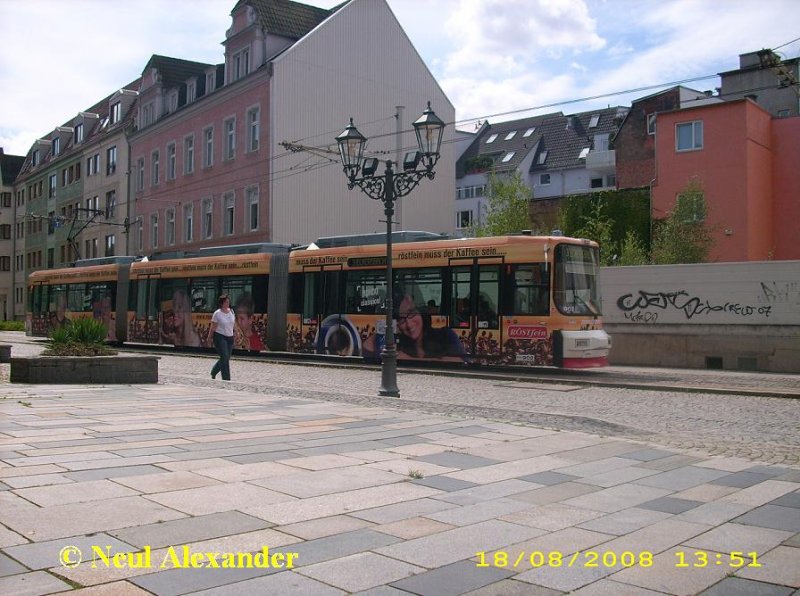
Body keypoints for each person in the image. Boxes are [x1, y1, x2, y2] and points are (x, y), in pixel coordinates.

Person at [395, 294, 465, 362]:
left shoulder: (446, 335)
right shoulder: (398, 345)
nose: (409, 325)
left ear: (421, 313)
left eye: (411, 314)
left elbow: (462, 361)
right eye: (401, 319)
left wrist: (410, 359)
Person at [207, 294, 235, 380]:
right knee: (224, 357)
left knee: (226, 358)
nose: (228, 303)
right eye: (226, 302)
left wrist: (237, 333)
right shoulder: (217, 313)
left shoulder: (231, 311)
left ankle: (214, 371)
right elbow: (213, 327)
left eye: (228, 302)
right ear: (222, 303)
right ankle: (226, 379)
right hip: (220, 336)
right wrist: (209, 337)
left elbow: (234, 323)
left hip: (230, 337)